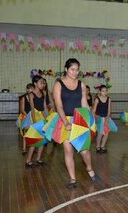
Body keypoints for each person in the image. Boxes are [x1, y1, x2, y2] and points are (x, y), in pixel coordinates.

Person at [53, 58, 96, 188]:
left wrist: (90, 120)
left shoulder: (81, 85)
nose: (75, 72)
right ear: (66, 69)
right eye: (72, 69)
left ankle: (89, 168)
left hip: (79, 120)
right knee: (68, 150)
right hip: (64, 120)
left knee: (84, 151)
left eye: (77, 70)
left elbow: (84, 104)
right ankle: (72, 179)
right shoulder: (58, 84)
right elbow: (58, 106)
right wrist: (66, 123)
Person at [25, 75, 47, 168]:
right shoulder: (31, 94)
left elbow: (45, 106)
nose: (43, 84)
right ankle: (28, 160)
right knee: (34, 139)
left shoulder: (43, 93)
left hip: (42, 116)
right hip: (35, 117)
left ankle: (38, 159)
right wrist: (34, 123)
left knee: (42, 138)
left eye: (43, 82)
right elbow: (32, 109)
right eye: (41, 82)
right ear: (35, 83)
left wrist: (47, 117)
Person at [91, 85, 117, 153]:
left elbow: (109, 111)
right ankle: (98, 146)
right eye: (103, 91)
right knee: (99, 133)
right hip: (99, 118)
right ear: (100, 91)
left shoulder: (109, 99)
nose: (104, 92)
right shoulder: (97, 99)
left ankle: (103, 146)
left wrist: (107, 119)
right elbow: (94, 110)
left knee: (106, 133)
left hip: (106, 117)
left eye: (106, 91)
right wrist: (94, 119)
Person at [18, 83, 34, 154]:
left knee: (33, 132)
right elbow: (22, 109)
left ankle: (32, 147)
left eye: (32, 88)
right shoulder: (23, 97)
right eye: (29, 88)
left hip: (33, 116)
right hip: (25, 116)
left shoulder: (34, 96)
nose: (31, 90)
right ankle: (24, 148)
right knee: (25, 132)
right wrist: (28, 116)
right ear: (27, 89)